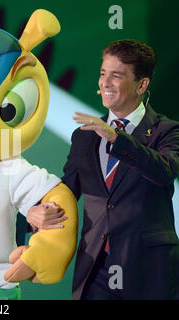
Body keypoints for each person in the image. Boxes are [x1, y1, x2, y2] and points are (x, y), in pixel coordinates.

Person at [61, 39, 179, 299]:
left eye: (116, 76)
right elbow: (66, 193)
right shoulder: (84, 136)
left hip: (148, 269)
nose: (105, 83)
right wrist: (35, 214)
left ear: (142, 84)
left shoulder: (167, 130)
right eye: (103, 74)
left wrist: (116, 137)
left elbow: (165, 171)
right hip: (96, 269)